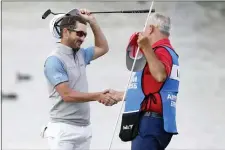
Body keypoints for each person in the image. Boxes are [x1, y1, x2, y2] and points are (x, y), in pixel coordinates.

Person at [42, 8, 118, 150]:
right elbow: (67, 95)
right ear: (65, 32)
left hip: (84, 128)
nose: (82, 38)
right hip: (63, 130)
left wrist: (93, 22)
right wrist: (98, 96)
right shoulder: (54, 60)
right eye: (79, 33)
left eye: (85, 35)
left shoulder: (81, 54)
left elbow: (103, 47)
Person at [112, 12, 180, 150]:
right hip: (158, 121)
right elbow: (151, 89)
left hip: (150, 122)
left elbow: (160, 75)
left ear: (150, 29)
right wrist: (119, 95)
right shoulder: (169, 52)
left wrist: (146, 48)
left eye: (145, 28)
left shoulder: (161, 51)